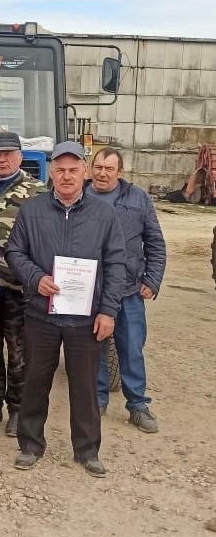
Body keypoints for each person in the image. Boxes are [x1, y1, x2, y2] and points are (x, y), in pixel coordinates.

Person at [6, 141, 126, 477]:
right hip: (41, 313)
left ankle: (87, 450)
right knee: (35, 381)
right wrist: (36, 278)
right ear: (51, 173)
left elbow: (117, 263)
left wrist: (108, 310)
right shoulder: (32, 211)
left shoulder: (104, 215)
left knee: (85, 386)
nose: (67, 176)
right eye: (60, 170)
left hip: (85, 318)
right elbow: (15, 252)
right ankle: (30, 445)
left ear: (84, 172)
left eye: (74, 170)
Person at [0, 131, 48, 437]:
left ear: (19, 156)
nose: (2, 160)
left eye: (8, 154)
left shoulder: (38, 194)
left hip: (21, 289)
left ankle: (18, 408)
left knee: (19, 351)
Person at [86, 147, 167, 432]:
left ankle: (137, 405)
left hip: (128, 289)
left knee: (131, 348)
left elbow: (155, 242)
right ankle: (97, 400)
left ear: (120, 172)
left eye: (109, 169)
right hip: (91, 289)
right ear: (90, 169)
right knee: (94, 347)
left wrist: (152, 279)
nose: (102, 174)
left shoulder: (138, 198)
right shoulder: (80, 196)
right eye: (98, 167)